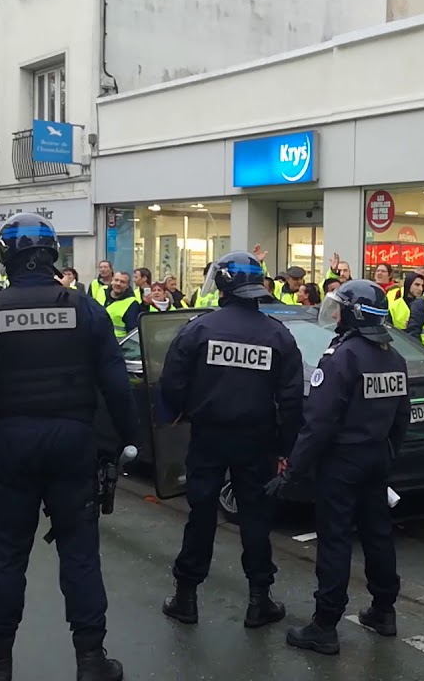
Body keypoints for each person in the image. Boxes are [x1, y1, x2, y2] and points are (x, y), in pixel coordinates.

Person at [0, 213, 135, 680]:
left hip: (10, 444)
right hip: (73, 443)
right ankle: (91, 661)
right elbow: (116, 386)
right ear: (53, 256)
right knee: (81, 554)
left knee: (5, 555)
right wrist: (124, 443)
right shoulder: (86, 309)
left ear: (6, 257)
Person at [160, 251, 304, 630]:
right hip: (258, 439)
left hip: (208, 436)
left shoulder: (198, 329)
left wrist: (179, 412)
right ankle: (260, 600)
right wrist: (287, 449)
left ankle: (186, 597)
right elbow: (291, 400)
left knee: (202, 513)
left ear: (222, 287)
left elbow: (172, 381)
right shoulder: (277, 334)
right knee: (255, 518)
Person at [265, 280, 408, 655]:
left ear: (353, 313)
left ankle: (325, 625)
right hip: (376, 456)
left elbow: (319, 422)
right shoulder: (392, 356)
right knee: (378, 534)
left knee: (335, 540)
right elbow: (401, 419)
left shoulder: (343, 356)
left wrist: (292, 469)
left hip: (342, 461)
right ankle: (383, 610)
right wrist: (386, 452)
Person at [102, 271, 141, 340]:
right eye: (116, 280)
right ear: (112, 281)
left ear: (127, 286)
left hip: (118, 343)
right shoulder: (101, 293)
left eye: (122, 282)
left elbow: (132, 332)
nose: (118, 283)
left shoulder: (132, 303)